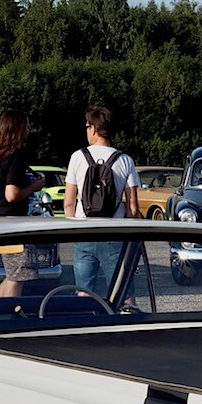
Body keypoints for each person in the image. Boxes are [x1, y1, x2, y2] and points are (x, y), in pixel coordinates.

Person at [64, 105, 141, 293]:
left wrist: (72, 230)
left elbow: (69, 203)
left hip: (84, 232)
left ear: (94, 129)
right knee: (123, 291)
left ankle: (85, 320)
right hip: (114, 233)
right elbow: (132, 207)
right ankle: (127, 319)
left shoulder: (77, 157)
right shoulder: (125, 160)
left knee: (83, 291)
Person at [0, 109, 45, 298]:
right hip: (12, 221)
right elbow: (12, 194)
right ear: (18, 129)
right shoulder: (16, 154)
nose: (29, 129)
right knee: (21, 272)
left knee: (14, 273)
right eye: (26, 125)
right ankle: (6, 311)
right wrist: (33, 187)